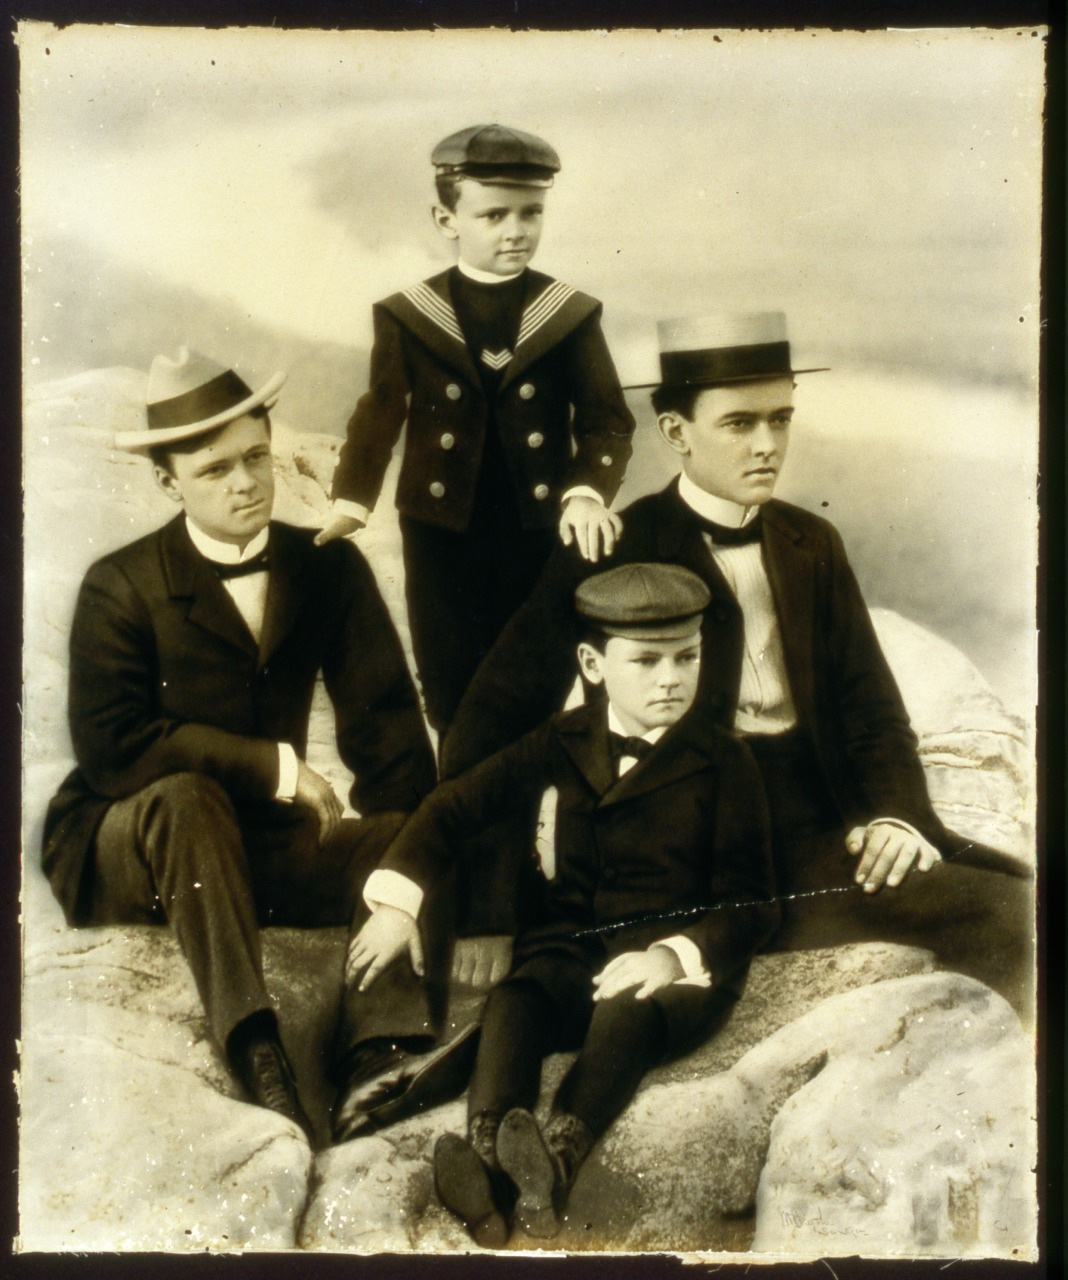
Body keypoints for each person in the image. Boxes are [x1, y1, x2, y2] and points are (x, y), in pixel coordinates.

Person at [442, 312, 1034, 1017]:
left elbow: (871, 707)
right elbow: (491, 725)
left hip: (824, 825)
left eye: (780, 419)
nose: (767, 445)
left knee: (1021, 899)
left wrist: (897, 818)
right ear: (675, 432)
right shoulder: (617, 546)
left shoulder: (811, 540)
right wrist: (486, 909)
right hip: (696, 859)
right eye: (739, 423)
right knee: (1004, 914)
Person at [40, 347, 451, 1148]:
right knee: (188, 796)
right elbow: (113, 747)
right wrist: (277, 768)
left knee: (403, 836)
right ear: (168, 483)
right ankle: (258, 1053)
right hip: (130, 844)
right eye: (215, 469)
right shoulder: (119, 583)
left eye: (257, 457)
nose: (246, 483)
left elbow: (389, 729)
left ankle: (375, 1057)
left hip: (261, 849)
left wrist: (406, 876)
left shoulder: (326, 566)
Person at [346, 562, 778, 1246]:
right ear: (592, 664)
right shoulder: (560, 740)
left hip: (672, 977)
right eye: (646, 661)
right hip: (570, 956)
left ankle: (558, 1158)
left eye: (687, 657)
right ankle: (490, 1160)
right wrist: (400, 903)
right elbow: (455, 806)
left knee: (626, 1011)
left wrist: (672, 956)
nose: (671, 678)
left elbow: (753, 904)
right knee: (516, 1002)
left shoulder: (726, 762)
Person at [314, 123, 636, 734]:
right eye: (493, 215)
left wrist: (587, 492)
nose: (516, 230)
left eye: (531, 213)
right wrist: (351, 501)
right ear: (446, 219)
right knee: (451, 682)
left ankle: (519, 787)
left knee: (533, 679)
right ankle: (460, 787)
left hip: (538, 527)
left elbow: (607, 421)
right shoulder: (409, 314)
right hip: (440, 533)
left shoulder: (569, 315)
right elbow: (380, 413)